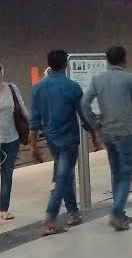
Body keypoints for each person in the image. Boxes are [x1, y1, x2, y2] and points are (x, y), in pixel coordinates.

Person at [81, 45, 132, 230]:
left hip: (107, 133)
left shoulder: (97, 79)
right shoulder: (130, 79)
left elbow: (84, 103)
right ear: (124, 59)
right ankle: (116, 213)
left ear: (107, 60)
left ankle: (120, 214)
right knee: (125, 175)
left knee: (116, 174)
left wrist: (95, 125)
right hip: (124, 132)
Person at [28, 49, 100, 235]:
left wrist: (34, 146)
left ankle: (73, 213)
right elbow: (83, 115)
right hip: (69, 139)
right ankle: (51, 216)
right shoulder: (72, 87)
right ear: (66, 63)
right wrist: (94, 135)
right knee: (62, 177)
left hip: (51, 139)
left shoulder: (37, 88)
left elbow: (34, 120)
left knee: (63, 174)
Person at [0, 63, 29, 221]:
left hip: (11, 138)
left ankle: (3, 208)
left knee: (7, 173)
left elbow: (22, 108)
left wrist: (31, 126)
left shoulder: (11, 88)